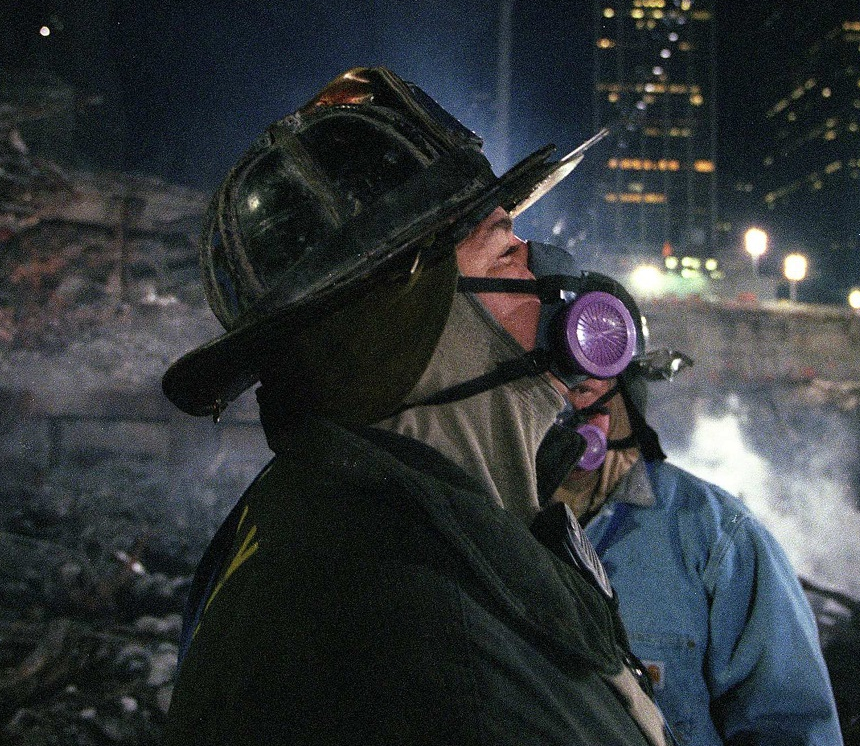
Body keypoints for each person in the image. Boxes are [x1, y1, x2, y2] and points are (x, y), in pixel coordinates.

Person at [160, 66, 670, 746]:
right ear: (407, 326)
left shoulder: (330, 518)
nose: (549, 271)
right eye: (508, 251)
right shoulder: (421, 647)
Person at [546, 270, 843, 746]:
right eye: (543, 394)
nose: (558, 417)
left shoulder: (715, 539)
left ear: (625, 399)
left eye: (582, 391)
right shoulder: (480, 519)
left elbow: (791, 727)